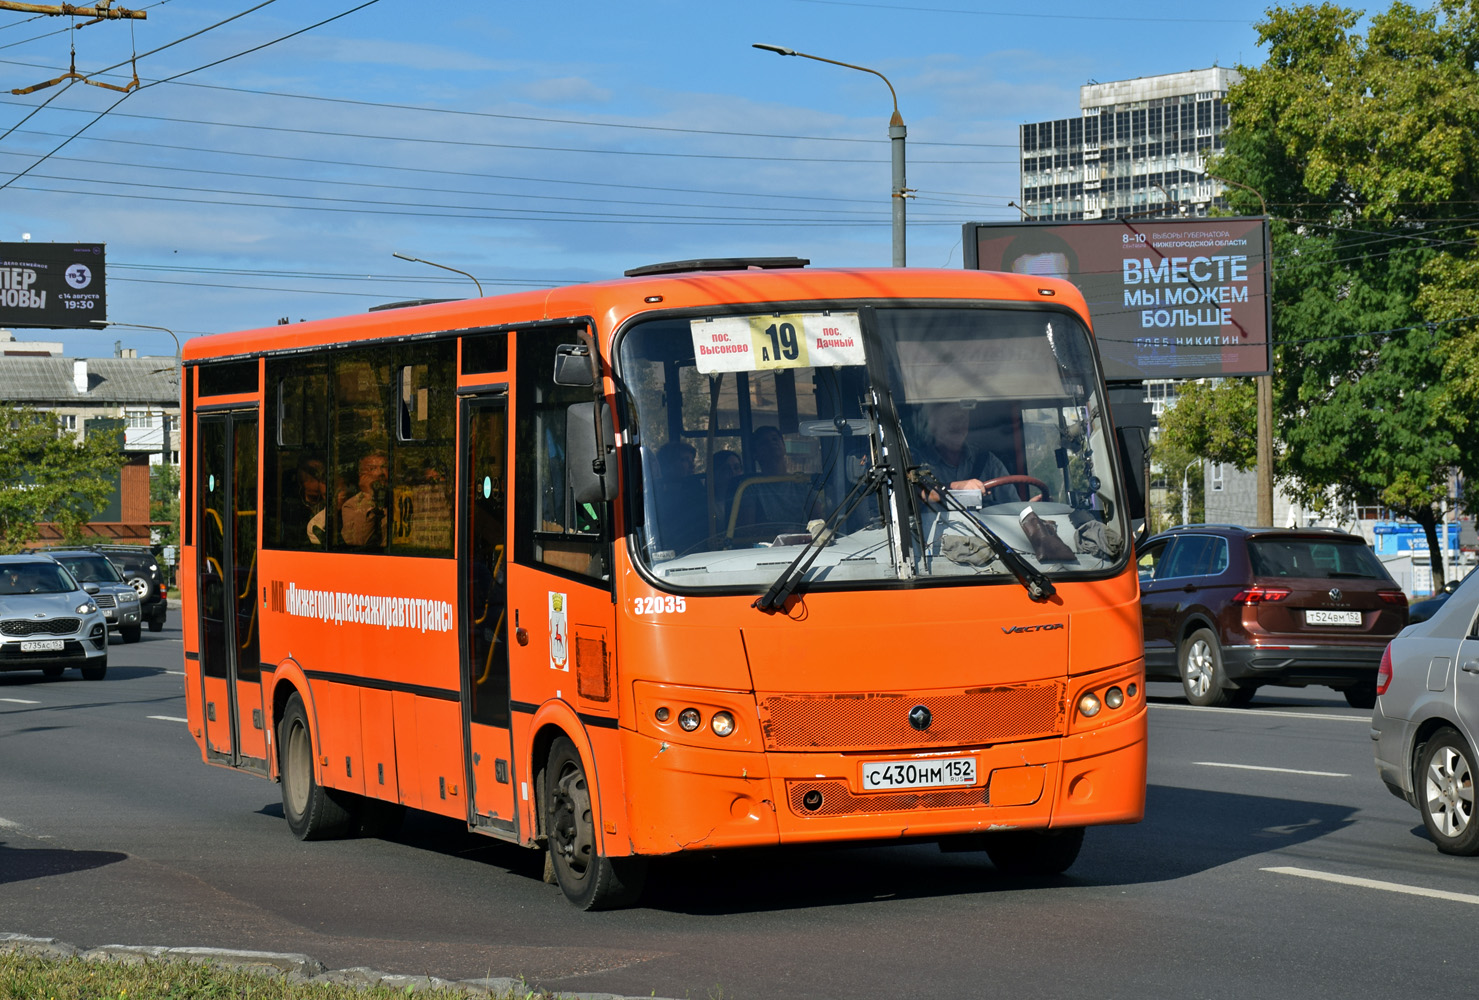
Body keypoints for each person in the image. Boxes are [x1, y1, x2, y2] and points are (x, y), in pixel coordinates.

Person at [911, 402, 1018, 504]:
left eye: (962, 418)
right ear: (934, 425)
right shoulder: (918, 461)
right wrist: (957, 487)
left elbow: (1013, 507)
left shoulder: (987, 461)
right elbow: (912, 494)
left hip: (984, 524)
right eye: (951, 419)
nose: (958, 425)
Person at [733, 426, 819, 536]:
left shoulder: (803, 483)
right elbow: (746, 530)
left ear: (784, 447)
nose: (772, 443)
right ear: (755, 454)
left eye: (775, 439)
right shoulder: (750, 486)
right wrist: (776, 533)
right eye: (764, 442)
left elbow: (818, 523)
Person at [339, 449, 390, 547]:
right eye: (373, 468)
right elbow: (357, 541)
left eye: (384, 467)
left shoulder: (397, 497)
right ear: (362, 476)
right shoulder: (351, 505)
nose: (380, 473)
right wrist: (368, 496)